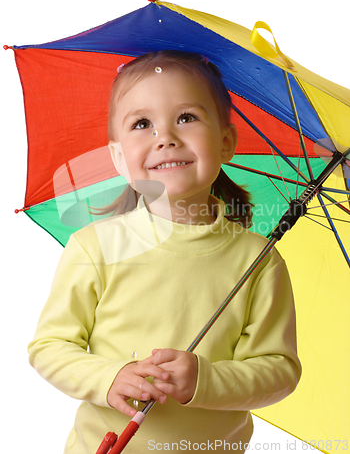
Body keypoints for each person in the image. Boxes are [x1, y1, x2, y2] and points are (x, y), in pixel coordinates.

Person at [28, 51, 301, 453]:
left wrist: (203, 380)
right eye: (142, 124)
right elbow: (49, 347)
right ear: (119, 156)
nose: (165, 137)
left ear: (226, 143)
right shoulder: (96, 247)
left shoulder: (257, 261)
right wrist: (109, 377)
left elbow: (279, 369)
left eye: (186, 118)